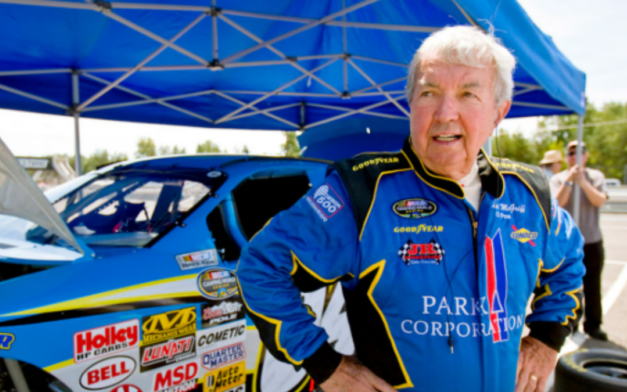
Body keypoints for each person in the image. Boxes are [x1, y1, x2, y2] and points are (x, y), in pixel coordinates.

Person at [236, 26, 585, 392]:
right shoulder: (362, 190)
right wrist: (326, 365)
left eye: (468, 94)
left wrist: (548, 338)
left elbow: (570, 262)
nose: (445, 113)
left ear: (499, 112)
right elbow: (261, 265)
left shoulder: (530, 193)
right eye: (429, 93)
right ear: (411, 104)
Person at [550, 141, 608, 340]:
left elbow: (599, 200)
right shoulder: (559, 178)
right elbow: (556, 204)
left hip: (591, 240)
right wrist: (569, 181)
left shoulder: (595, 177)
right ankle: (571, 322)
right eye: (571, 153)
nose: (575, 156)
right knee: (568, 285)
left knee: (592, 285)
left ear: (586, 156)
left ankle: (593, 325)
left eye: (579, 152)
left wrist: (583, 182)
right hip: (566, 244)